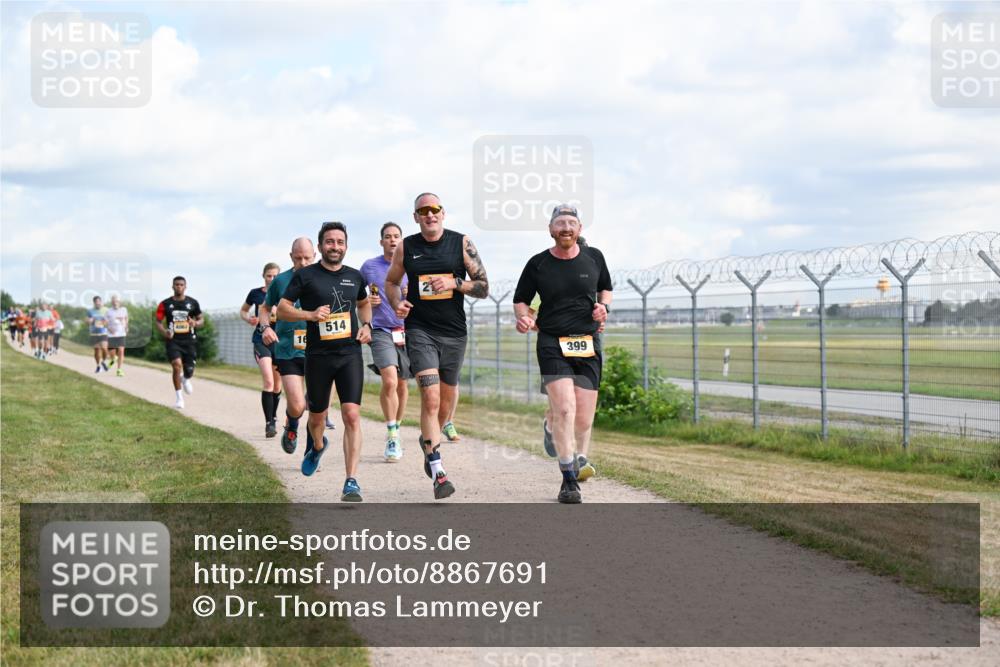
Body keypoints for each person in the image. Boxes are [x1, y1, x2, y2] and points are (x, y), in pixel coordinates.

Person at [385, 192, 489, 500]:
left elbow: (484, 287)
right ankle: (438, 470)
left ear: (443, 213)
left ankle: (429, 440)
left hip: (455, 333)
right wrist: (397, 303)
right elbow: (391, 282)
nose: (429, 214)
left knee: (445, 403)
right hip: (420, 330)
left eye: (435, 209)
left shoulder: (461, 243)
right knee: (429, 399)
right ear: (415, 217)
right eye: (423, 211)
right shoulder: (407, 247)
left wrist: (455, 284)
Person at [513, 205, 612, 503]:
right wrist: (524, 317)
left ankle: (553, 428)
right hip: (552, 342)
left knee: (582, 419)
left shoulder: (594, 257)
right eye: (560, 223)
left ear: (580, 229)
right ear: (551, 230)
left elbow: (605, 288)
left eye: (571, 222)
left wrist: (603, 306)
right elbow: (521, 299)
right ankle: (569, 479)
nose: (566, 227)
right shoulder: (538, 264)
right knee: (565, 409)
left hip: (588, 342)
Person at [278, 222, 372, 502]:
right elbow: (282, 309)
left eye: (340, 242)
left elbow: (364, 303)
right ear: (320, 247)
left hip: (350, 355)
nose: (335, 246)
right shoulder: (306, 276)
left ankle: (351, 481)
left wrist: (367, 325)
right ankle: (317, 446)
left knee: (351, 415)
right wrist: (309, 315)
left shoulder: (355, 277)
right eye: (329, 242)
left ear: (346, 246)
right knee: (317, 417)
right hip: (318, 357)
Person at [360, 222, 411, 462]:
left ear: (401, 240)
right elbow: (357, 296)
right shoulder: (369, 267)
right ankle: (391, 434)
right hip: (380, 329)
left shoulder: (410, 265)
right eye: (388, 237)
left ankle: (397, 428)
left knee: (402, 385)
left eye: (396, 236)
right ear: (381, 241)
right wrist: (368, 302)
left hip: (407, 330)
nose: (392, 240)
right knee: (389, 380)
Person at [262, 238, 315, 454]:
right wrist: (265, 328)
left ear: (315, 255)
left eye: (307, 258)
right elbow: (265, 308)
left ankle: (313, 450)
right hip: (288, 350)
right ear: (291, 256)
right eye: (298, 258)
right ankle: (292, 426)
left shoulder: (324, 278)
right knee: (297, 405)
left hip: (319, 350)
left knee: (317, 407)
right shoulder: (281, 281)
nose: (302, 262)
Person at [243, 263, 283, 437]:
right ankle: (269, 424)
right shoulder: (255, 293)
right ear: (263, 276)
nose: (272, 279)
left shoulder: (285, 293)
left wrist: (279, 312)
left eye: (275, 276)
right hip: (261, 340)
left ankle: (273, 415)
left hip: (280, 341)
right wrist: (249, 319)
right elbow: (243, 311)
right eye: (269, 276)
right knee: (268, 381)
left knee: (277, 384)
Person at [154, 276, 203, 409]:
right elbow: (158, 321)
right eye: (176, 285)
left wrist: (195, 323)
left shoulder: (193, 303)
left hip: (189, 341)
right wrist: (165, 332)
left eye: (181, 285)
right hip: (173, 340)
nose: (179, 287)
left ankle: (186, 378)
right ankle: (179, 398)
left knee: (189, 370)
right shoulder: (165, 304)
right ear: (172, 286)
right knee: (176, 365)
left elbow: (201, 319)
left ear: (185, 287)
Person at [106, 295, 129, 377]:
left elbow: (126, 318)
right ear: (112, 302)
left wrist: (126, 327)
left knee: (121, 350)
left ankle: (119, 369)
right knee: (112, 352)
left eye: (117, 301)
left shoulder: (124, 310)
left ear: (119, 302)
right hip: (112, 335)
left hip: (121, 333)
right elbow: (105, 322)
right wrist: (109, 328)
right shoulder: (108, 311)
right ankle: (113, 358)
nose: (115, 303)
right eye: (114, 301)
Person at [87, 296, 110, 372]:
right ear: (94, 303)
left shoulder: (106, 310)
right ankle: (98, 366)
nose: (98, 303)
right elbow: (87, 321)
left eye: (99, 301)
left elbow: (108, 321)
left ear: (101, 302)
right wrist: (90, 321)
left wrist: (104, 323)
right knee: (96, 350)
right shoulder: (90, 311)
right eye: (96, 302)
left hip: (103, 332)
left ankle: (103, 361)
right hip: (94, 333)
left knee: (104, 348)